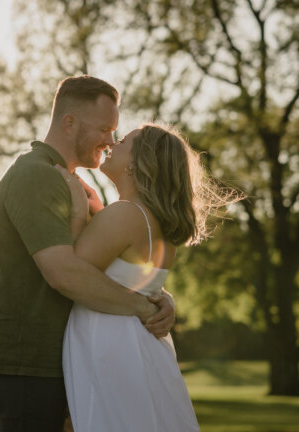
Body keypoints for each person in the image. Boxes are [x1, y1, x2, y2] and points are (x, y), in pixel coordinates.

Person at [0, 76, 176, 432]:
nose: (111, 141)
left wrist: (159, 296)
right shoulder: (37, 176)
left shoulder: (72, 185)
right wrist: (143, 308)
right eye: (104, 129)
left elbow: (112, 265)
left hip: (64, 359)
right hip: (31, 361)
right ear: (69, 122)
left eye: (115, 132)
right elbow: (64, 273)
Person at [60, 123, 239, 432]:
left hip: (109, 348)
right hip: (135, 347)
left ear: (138, 162)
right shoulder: (151, 221)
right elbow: (136, 280)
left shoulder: (126, 214)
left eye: (123, 141)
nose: (112, 144)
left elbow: (71, 271)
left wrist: (78, 213)